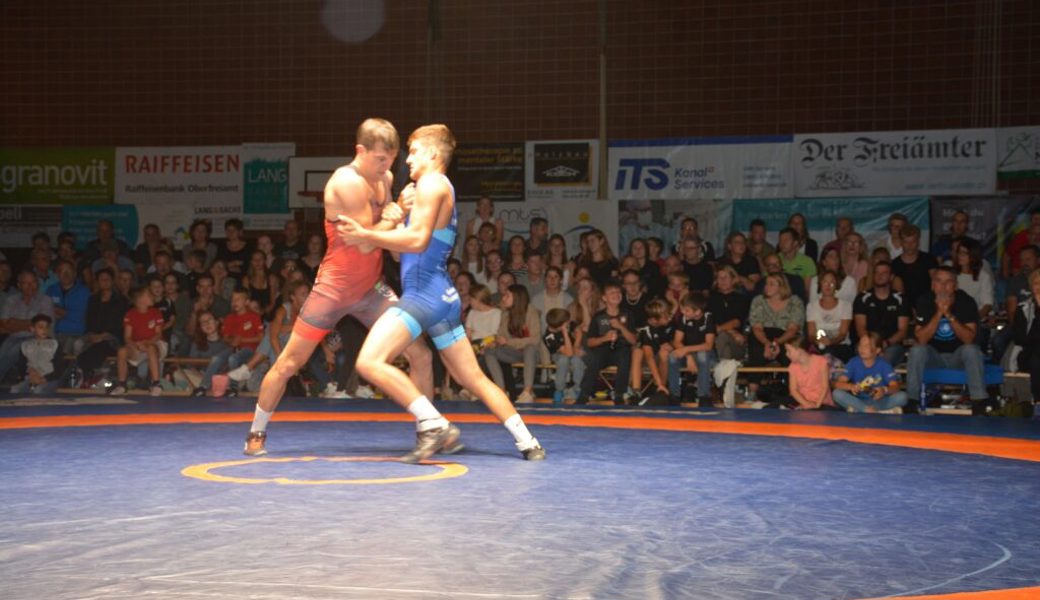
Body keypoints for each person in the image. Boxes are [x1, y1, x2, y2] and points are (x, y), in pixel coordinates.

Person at [335, 123, 544, 461]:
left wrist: (367, 234)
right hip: (443, 297)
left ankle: (434, 423)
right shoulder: (432, 190)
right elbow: (401, 253)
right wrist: (397, 215)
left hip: (423, 296)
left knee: (370, 361)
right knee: (470, 376)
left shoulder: (431, 184)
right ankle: (527, 441)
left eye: (414, 151)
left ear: (433, 154)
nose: (408, 160)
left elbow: (414, 241)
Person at [906, 266, 989, 414]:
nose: (943, 286)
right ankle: (912, 401)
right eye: (938, 281)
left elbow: (969, 338)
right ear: (933, 285)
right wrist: (939, 313)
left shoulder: (966, 301)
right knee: (917, 349)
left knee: (971, 349)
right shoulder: (924, 300)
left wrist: (948, 314)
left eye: (948, 282)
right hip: (933, 356)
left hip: (959, 356)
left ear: (955, 286)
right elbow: (921, 338)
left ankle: (979, 401)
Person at [577, 280, 636, 404]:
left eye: (618, 292)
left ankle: (619, 394)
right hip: (602, 350)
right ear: (604, 298)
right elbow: (590, 342)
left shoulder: (628, 314)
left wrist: (621, 327)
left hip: (621, 350)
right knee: (595, 358)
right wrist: (605, 338)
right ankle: (584, 395)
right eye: (612, 292)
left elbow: (633, 340)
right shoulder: (598, 317)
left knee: (625, 354)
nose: (616, 294)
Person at [482, 284, 541, 404]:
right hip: (513, 352)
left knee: (530, 348)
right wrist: (495, 342)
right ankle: (501, 391)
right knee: (490, 352)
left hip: (532, 353)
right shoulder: (505, 313)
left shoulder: (531, 311)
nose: (503, 298)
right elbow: (501, 335)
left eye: (507, 296)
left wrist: (508, 342)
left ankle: (527, 391)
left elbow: (535, 339)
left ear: (517, 298)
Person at [109, 286, 166, 396]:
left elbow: (158, 334)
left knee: (150, 348)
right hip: (138, 345)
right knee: (121, 351)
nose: (152, 296)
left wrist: (147, 343)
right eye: (149, 295)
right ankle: (122, 385)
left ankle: (156, 384)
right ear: (140, 300)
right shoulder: (130, 314)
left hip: (156, 344)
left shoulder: (156, 312)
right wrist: (135, 345)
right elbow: (127, 337)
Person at [0, 271, 55, 385]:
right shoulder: (11, 300)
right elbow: (4, 323)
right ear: (19, 285)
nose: (30, 286)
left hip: (37, 337)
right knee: (2, 353)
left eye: (33, 282)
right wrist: (29, 324)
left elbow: (42, 325)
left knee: (14, 351)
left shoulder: (45, 300)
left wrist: (14, 322)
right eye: (26, 283)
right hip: (13, 336)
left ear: (37, 284)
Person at [853, 260, 911, 367]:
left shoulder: (900, 299)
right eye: (877, 273)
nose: (880, 276)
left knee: (885, 358)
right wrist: (872, 345)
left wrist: (886, 343)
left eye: (884, 273)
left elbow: (902, 331)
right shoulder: (862, 298)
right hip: (867, 343)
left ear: (891, 277)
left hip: (892, 344)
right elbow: (860, 328)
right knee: (863, 353)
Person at [75, 268, 129, 380]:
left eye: (107, 279)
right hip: (93, 333)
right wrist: (92, 335)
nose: (104, 282)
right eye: (101, 280)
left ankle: (93, 374)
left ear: (113, 281)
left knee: (101, 346)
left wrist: (104, 335)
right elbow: (89, 319)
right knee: (78, 343)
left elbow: (120, 323)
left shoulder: (121, 300)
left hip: (112, 336)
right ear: (98, 282)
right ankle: (80, 375)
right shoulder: (93, 299)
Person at [832, 333, 908, 413]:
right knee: (836, 393)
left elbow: (895, 386)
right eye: (860, 345)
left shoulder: (884, 364)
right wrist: (851, 387)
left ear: (877, 350)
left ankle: (860, 410)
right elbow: (838, 384)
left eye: (866, 346)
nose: (862, 349)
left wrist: (884, 390)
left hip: (879, 401)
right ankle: (872, 410)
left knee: (902, 397)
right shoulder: (853, 362)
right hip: (858, 400)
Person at [668, 294, 717, 405]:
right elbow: (676, 341)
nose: (683, 312)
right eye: (682, 309)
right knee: (672, 356)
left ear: (698, 311)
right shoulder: (683, 318)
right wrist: (688, 356)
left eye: (687, 310)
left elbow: (708, 345)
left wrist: (686, 350)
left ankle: (704, 396)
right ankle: (674, 396)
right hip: (689, 355)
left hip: (709, 357)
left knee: (702, 355)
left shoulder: (708, 318)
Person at [221, 288, 265, 396]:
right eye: (233, 299)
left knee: (233, 358)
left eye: (238, 299)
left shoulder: (254, 316)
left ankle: (233, 388)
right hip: (235, 348)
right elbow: (225, 337)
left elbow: (261, 337)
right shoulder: (230, 317)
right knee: (219, 358)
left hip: (251, 349)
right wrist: (233, 341)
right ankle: (204, 386)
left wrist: (241, 340)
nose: (234, 302)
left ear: (247, 302)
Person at [806, 270, 854, 363]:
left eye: (832, 282)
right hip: (819, 345)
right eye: (825, 282)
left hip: (840, 346)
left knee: (828, 352)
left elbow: (842, 334)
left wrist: (830, 342)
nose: (828, 285)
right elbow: (811, 334)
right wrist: (819, 341)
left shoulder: (846, 306)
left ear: (836, 285)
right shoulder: (811, 306)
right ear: (820, 284)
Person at [11, 314, 65, 395]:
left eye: (47, 327)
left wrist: (44, 379)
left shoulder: (54, 344)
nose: (44, 330)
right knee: (15, 389)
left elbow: (59, 368)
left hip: (50, 379)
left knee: (38, 390)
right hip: (31, 378)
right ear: (32, 329)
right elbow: (22, 366)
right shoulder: (25, 345)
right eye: (41, 327)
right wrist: (30, 373)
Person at [45, 259, 90, 354]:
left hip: (75, 332)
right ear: (57, 274)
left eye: (69, 271)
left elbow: (79, 316)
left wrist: (59, 311)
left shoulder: (84, 292)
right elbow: (46, 312)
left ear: (74, 273)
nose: (66, 274)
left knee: (64, 351)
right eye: (62, 271)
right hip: (53, 332)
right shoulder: (51, 290)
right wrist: (65, 312)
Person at [891, 224, 939, 312]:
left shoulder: (929, 260)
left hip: (928, 307)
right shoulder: (895, 264)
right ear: (901, 242)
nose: (910, 245)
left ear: (918, 242)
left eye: (913, 242)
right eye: (906, 242)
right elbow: (895, 293)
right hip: (904, 310)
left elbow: (936, 283)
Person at [542, 307, 585, 405]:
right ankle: (559, 390)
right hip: (558, 354)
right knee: (563, 360)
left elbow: (578, 330)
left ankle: (578, 389)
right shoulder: (549, 337)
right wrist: (565, 333)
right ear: (559, 326)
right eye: (567, 322)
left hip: (573, 349)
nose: (569, 323)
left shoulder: (568, 323)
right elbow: (568, 353)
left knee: (577, 360)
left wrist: (576, 345)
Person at [1009, 270, 1040, 405]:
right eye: (1036, 283)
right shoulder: (1023, 309)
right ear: (1030, 287)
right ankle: (1038, 401)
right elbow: (1021, 339)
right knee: (1036, 360)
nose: (1039, 286)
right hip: (1029, 354)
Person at [708, 265, 750, 361]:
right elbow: (709, 321)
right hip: (716, 339)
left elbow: (736, 322)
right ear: (716, 281)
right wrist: (730, 331)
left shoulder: (742, 299)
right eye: (720, 277)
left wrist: (721, 330)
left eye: (726, 277)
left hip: (736, 341)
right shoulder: (711, 299)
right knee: (724, 348)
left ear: (733, 279)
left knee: (722, 337)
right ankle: (724, 375)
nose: (723, 280)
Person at [186, 310, 232, 397]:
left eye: (209, 320)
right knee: (179, 373)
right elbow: (191, 366)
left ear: (217, 322)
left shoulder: (227, 341)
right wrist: (205, 377)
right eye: (203, 322)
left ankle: (210, 387)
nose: (207, 324)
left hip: (224, 376)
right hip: (202, 376)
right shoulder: (197, 343)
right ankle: (214, 387)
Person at [783, 338, 837, 410]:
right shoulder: (793, 366)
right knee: (773, 406)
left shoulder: (821, 361)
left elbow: (825, 387)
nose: (786, 354)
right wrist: (806, 403)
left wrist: (817, 405)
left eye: (789, 351)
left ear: (799, 350)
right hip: (803, 401)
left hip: (821, 402)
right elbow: (793, 390)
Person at [778, 227, 816, 294]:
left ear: (795, 243)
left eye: (786, 240)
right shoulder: (775, 259)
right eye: (780, 240)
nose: (782, 243)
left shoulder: (807, 262)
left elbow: (807, 290)